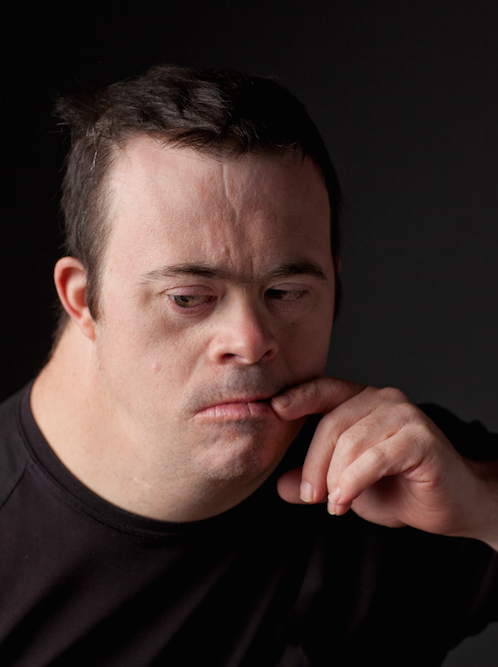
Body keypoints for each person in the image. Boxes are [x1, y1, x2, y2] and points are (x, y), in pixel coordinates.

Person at [0, 65, 497, 666]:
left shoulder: (399, 478)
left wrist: (483, 506)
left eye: (285, 292)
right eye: (188, 298)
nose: (251, 340)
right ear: (83, 299)